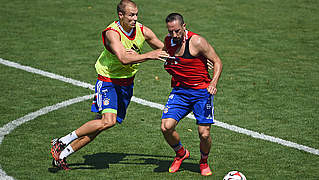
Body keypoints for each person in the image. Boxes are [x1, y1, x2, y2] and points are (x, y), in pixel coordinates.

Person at [50, 0, 168, 170]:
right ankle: (62, 141)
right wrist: (150, 55)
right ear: (121, 15)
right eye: (131, 15)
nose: (135, 18)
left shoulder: (143, 31)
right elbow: (124, 58)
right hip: (108, 80)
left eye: (136, 14)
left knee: (99, 126)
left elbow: (166, 50)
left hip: (126, 84)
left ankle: (61, 155)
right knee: (108, 121)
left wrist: (196, 59)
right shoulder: (112, 33)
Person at [160, 13, 222, 176]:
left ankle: (203, 161)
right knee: (166, 127)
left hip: (202, 92)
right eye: (170, 31)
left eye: (177, 31)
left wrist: (213, 83)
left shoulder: (197, 42)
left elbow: (217, 61)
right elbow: (164, 55)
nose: (174, 35)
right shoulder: (168, 41)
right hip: (180, 92)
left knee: (204, 134)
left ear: (184, 26)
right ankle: (181, 153)